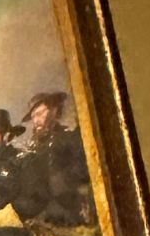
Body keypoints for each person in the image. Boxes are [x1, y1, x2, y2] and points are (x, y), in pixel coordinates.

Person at [22, 91, 95, 225]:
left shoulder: (68, 138)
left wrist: (61, 178)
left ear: (54, 111)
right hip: (43, 209)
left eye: (39, 114)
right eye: (33, 117)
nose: (36, 121)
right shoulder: (33, 148)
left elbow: (85, 169)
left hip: (68, 207)